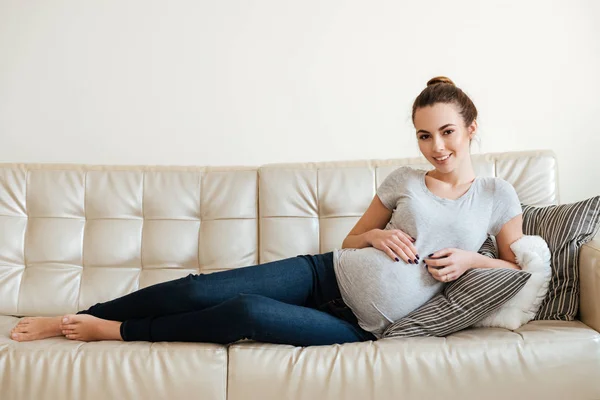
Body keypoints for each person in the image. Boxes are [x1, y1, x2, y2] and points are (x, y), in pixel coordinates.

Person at [10, 76, 524, 346]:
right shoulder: (402, 180)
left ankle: (116, 331)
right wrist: (374, 238)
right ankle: (74, 318)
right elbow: (351, 239)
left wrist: (471, 261)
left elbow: (519, 270)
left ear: (471, 128)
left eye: (447, 131)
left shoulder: (499, 195)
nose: (436, 146)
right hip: (326, 274)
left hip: (363, 327)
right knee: (197, 288)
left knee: (246, 313)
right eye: (424, 135)